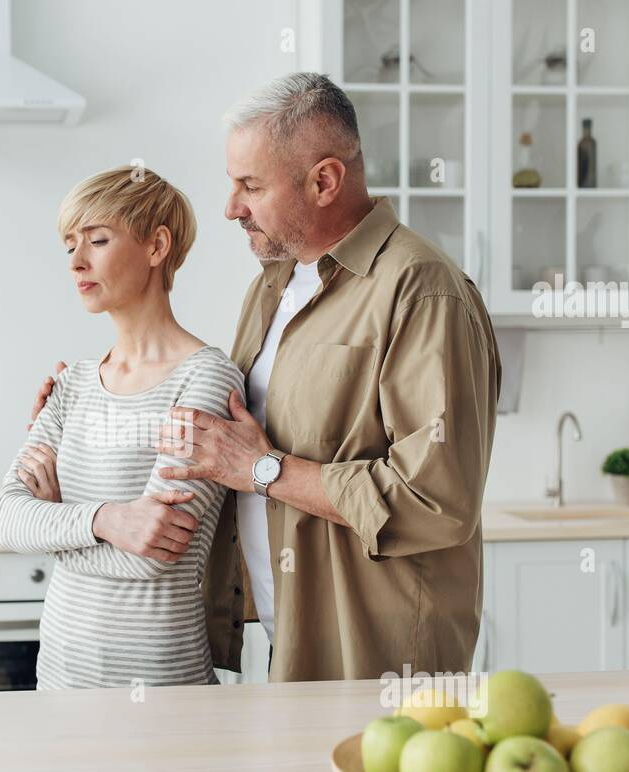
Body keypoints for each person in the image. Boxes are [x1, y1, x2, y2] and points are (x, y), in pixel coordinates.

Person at [29, 73, 501, 683]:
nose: (231, 208)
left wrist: (265, 469)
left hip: (381, 661)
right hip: (288, 642)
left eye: (250, 185)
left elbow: (437, 500)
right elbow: (224, 450)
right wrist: (85, 433)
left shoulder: (421, 291)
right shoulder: (271, 288)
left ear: (324, 180)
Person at [0, 166, 245, 689]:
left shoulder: (206, 376)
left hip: (160, 682)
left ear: (156, 246)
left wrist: (56, 518)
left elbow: (152, 555)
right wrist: (108, 519)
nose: (77, 262)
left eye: (98, 240)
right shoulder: (75, 382)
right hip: (60, 676)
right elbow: (9, 523)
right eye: (69, 247)